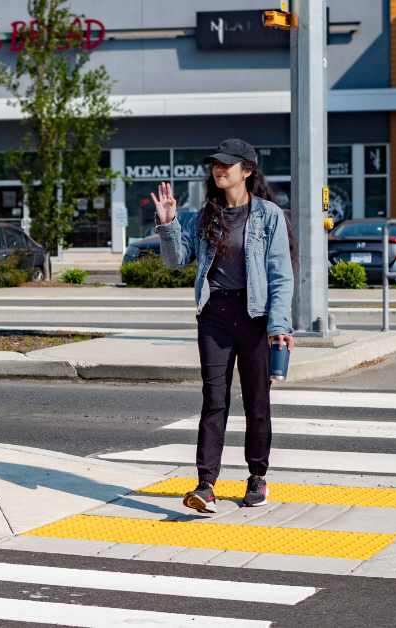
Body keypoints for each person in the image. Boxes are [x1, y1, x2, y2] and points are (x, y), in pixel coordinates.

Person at [152, 138, 294, 514]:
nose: (219, 169)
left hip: (255, 316)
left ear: (246, 170)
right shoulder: (204, 216)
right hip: (214, 315)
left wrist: (281, 325)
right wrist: (168, 223)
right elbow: (177, 261)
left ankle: (257, 476)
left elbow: (281, 275)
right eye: (215, 164)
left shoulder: (268, 216)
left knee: (256, 402)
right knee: (214, 400)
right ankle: (206, 485)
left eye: (227, 164)